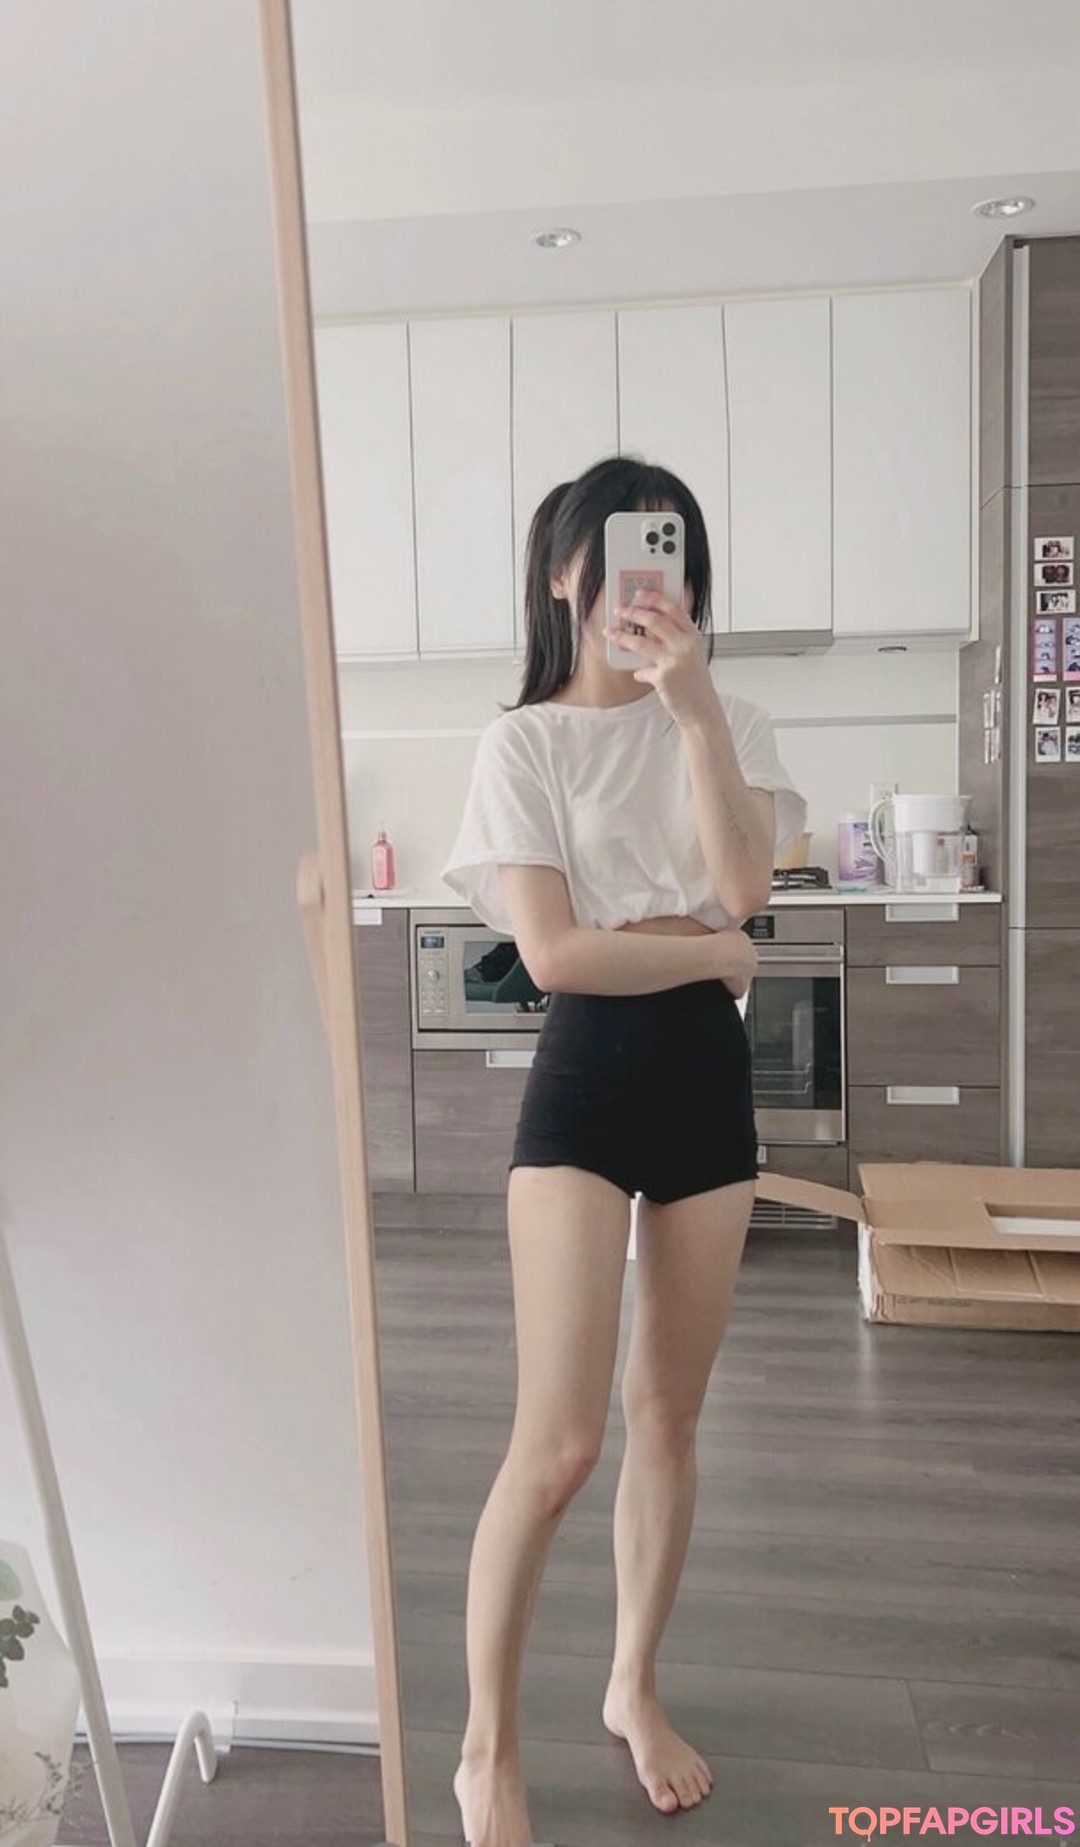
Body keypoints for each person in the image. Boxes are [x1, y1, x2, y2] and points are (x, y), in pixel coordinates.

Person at [442, 455, 806, 1847]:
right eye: (623, 555)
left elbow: (744, 887)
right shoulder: (522, 743)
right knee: (560, 1443)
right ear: (564, 575)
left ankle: (631, 1687)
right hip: (589, 1075)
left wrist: (694, 705)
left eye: (675, 560)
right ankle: (486, 1749)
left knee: (669, 1417)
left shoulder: (732, 719)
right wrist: (707, 954)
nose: (653, 584)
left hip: (706, 1082)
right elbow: (556, 955)